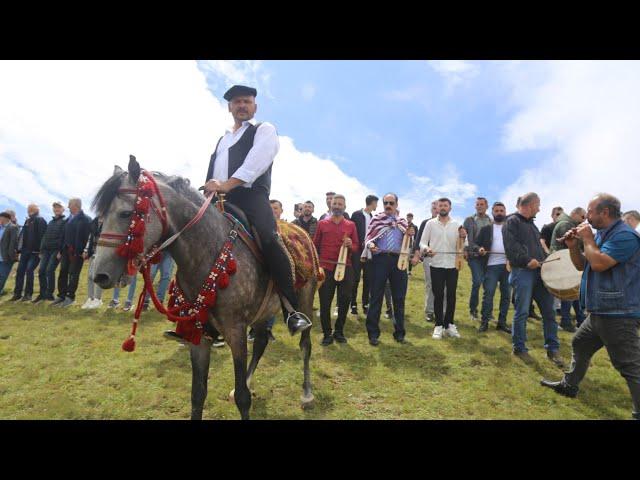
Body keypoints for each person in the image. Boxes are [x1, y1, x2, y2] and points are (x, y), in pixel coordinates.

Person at [201, 85, 310, 336]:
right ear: (230, 107)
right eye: (237, 102)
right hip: (217, 200)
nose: (242, 105)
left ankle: (291, 310)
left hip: (250, 197)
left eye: (247, 102)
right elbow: (214, 173)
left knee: (269, 238)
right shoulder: (223, 139)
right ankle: (196, 319)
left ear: (255, 106)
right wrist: (210, 188)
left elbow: (255, 164)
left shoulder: (264, 130)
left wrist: (226, 185)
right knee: (193, 241)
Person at [540, 193, 640, 420]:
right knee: (580, 343)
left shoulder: (625, 236)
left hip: (618, 312)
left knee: (630, 366)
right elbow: (581, 265)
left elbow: (599, 264)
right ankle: (569, 385)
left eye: (591, 211)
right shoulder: (602, 234)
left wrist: (587, 238)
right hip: (600, 310)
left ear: (605, 212)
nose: (587, 216)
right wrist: (573, 245)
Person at [503, 192, 564, 367]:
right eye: (538, 205)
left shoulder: (532, 226)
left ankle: (553, 349)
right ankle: (519, 348)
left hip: (539, 273)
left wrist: (547, 259)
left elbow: (537, 248)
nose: (539, 208)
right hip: (522, 271)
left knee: (549, 312)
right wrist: (526, 260)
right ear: (530, 204)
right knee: (521, 311)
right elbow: (511, 246)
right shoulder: (512, 221)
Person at [363, 193, 415, 345]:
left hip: (399, 262)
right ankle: (373, 334)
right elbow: (368, 238)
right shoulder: (377, 219)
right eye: (386, 202)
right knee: (376, 297)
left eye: (391, 203)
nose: (388, 205)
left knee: (399, 298)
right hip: (379, 260)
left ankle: (399, 334)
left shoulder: (403, 222)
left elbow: (409, 242)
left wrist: (411, 234)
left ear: (397, 204)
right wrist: (371, 245)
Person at [314, 194, 359, 345]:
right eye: (335, 203)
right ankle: (327, 333)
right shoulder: (322, 224)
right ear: (330, 206)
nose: (337, 206)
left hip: (345, 268)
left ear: (344, 207)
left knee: (344, 300)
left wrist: (350, 244)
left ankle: (339, 331)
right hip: (326, 267)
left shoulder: (351, 225)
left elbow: (356, 246)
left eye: (340, 204)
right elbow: (315, 245)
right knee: (325, 302)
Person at [419, 198, 467, 339]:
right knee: (438, 295)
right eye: (440, 205)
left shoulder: (457, 225)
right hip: (436, 264)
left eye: (445, 205)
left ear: (450, 208)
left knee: (451, 296)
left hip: (453, 265)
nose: (443, 207)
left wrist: (464, 237)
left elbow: (464, 244)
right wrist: (427, 248)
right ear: (437, 207)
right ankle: (439, 325)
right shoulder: (430, 223)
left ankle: (449, 325)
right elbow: (422, 242)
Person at [248, 199, 283, 344]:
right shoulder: (256, 226)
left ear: (281, 211)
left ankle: (268, 329)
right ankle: (253, 330)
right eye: (270, 208)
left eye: (276, 208)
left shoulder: (286, 228)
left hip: (276, 270)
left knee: (273, 298)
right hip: (259, 269)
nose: (273, 210)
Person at [473, 202, 511, 333]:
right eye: (497, 211)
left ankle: (502, 323)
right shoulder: (486, 229)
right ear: (493, 212)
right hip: (491, 266)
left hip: (508, 266)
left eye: (501, 210)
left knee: (506, 295)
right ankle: (484, 322)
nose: (499, 213)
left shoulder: (510, 229)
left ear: (505, 212)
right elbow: (475, 244)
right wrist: (480, 248)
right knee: (488, 294)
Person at [550, 207, 587, 331]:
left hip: (567, 261)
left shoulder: (568, 223)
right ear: (574, 214)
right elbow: (571, 244)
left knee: (574, 292)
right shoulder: (565, 224)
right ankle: (565, 321)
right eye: (583, 217)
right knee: (568, 292)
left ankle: (580, 319)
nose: (584, 219)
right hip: (564, 262)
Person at [51, 198, 91, 307]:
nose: (67, 207)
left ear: (76, 205)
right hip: (65, 251)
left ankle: (70, 297)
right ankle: (61, 296)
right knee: (63, 272)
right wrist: (60, 250)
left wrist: (85, 251)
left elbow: (88, 237)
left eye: (69, 204)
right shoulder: (68, 220)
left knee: (73, 274)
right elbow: (63, 236)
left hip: (77, 253)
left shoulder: (86, 219)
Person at [463, 197, 493, 321]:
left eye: (482, 204)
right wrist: (464, 250)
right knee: (477, 281)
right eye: (477, 204)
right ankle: (473, 310)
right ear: (475, 206)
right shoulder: (469, 220)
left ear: (487, 206)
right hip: (474, 256)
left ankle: (487, 313)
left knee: (489, 285)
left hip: (488, 257)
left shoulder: (491, 221)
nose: (479, 206)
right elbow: (464, 237)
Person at [10, 204, 47, 302]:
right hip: (25, 251)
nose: (28, 210)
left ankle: (28, 294)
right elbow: (22, 236)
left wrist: (40, 250)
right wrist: (18, 249)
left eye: (31, 209)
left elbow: (43, 236)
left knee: (29, 270)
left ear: (36, 210)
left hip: (35, 252)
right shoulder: (27, 221)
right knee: (20, 272)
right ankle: (17, 294)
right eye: (28, 209)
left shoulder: (40, 220)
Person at [412, 200, 440, 323]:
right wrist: (416, 256)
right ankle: (429, 311)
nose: (435, 209)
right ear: (431, 209)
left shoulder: (448, 224)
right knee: (430, 284)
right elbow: (418, 241)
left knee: (443, 286)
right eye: (433, 207)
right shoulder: (425, 223)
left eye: (437, 207)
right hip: (428, 258)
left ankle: (441, 311)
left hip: (444, 259)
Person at [33, 201, 66, 304]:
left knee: (49, 270)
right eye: (55, 208)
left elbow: (64, 237)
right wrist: (41, 250)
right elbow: (45, 237)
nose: (56, 209)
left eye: (59, 207)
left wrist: (60, 251)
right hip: (46, 250)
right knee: (41, 271)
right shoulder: (50, 222)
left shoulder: (65, 221)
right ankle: (42, 294)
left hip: (56, 250)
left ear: (63, 209)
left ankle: (49, 294)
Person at [350, 194, 378, 315]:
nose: (377, 205)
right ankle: (353, 304)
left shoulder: (373, 217)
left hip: (369, 253)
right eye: (376, 203)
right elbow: (351, 230)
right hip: (357, 252)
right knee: (355, 278)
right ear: (372, 203)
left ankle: (365, 304)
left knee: (368, 279)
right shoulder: (356, 214)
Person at [81, 215, 104, 309]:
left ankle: (98, 299)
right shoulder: (94, 222)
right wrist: (86, 250)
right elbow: (90, 238)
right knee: (90, 276)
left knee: (98, 276)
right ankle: (90, 298)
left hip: (102, 253)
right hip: (93, 252)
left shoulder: (108, 221)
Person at [0, 212, 19, 296]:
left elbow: (13, 243)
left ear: (5, 218)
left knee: (3, 276)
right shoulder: (1, 227)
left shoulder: (13, 227)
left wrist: (11, 257)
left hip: (6, 257)